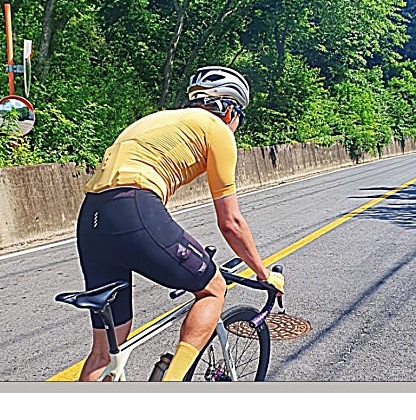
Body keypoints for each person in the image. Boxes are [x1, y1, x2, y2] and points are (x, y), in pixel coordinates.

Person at [73, 66, 284, 382]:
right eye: (239, 118)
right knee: (213, 289)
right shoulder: (217, 129)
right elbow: (231, 222)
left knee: (106, 352)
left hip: (91, 219)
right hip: (134, 208)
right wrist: (263, 274)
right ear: (229, 110)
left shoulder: (159, 120)